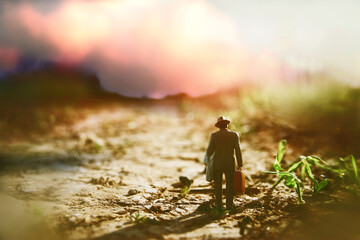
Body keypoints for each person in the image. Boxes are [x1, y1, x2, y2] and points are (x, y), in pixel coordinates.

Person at [205, 116, 243, 210]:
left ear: (218, 126)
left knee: (218, 186)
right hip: (230, 163)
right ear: (227, 124)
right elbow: (238, 150)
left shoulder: (214, 135)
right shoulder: (234, 135)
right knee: (230, 186)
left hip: (217, 164)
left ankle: (219, 205)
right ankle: (229, 206)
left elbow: (209, 151)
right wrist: (240, 163)